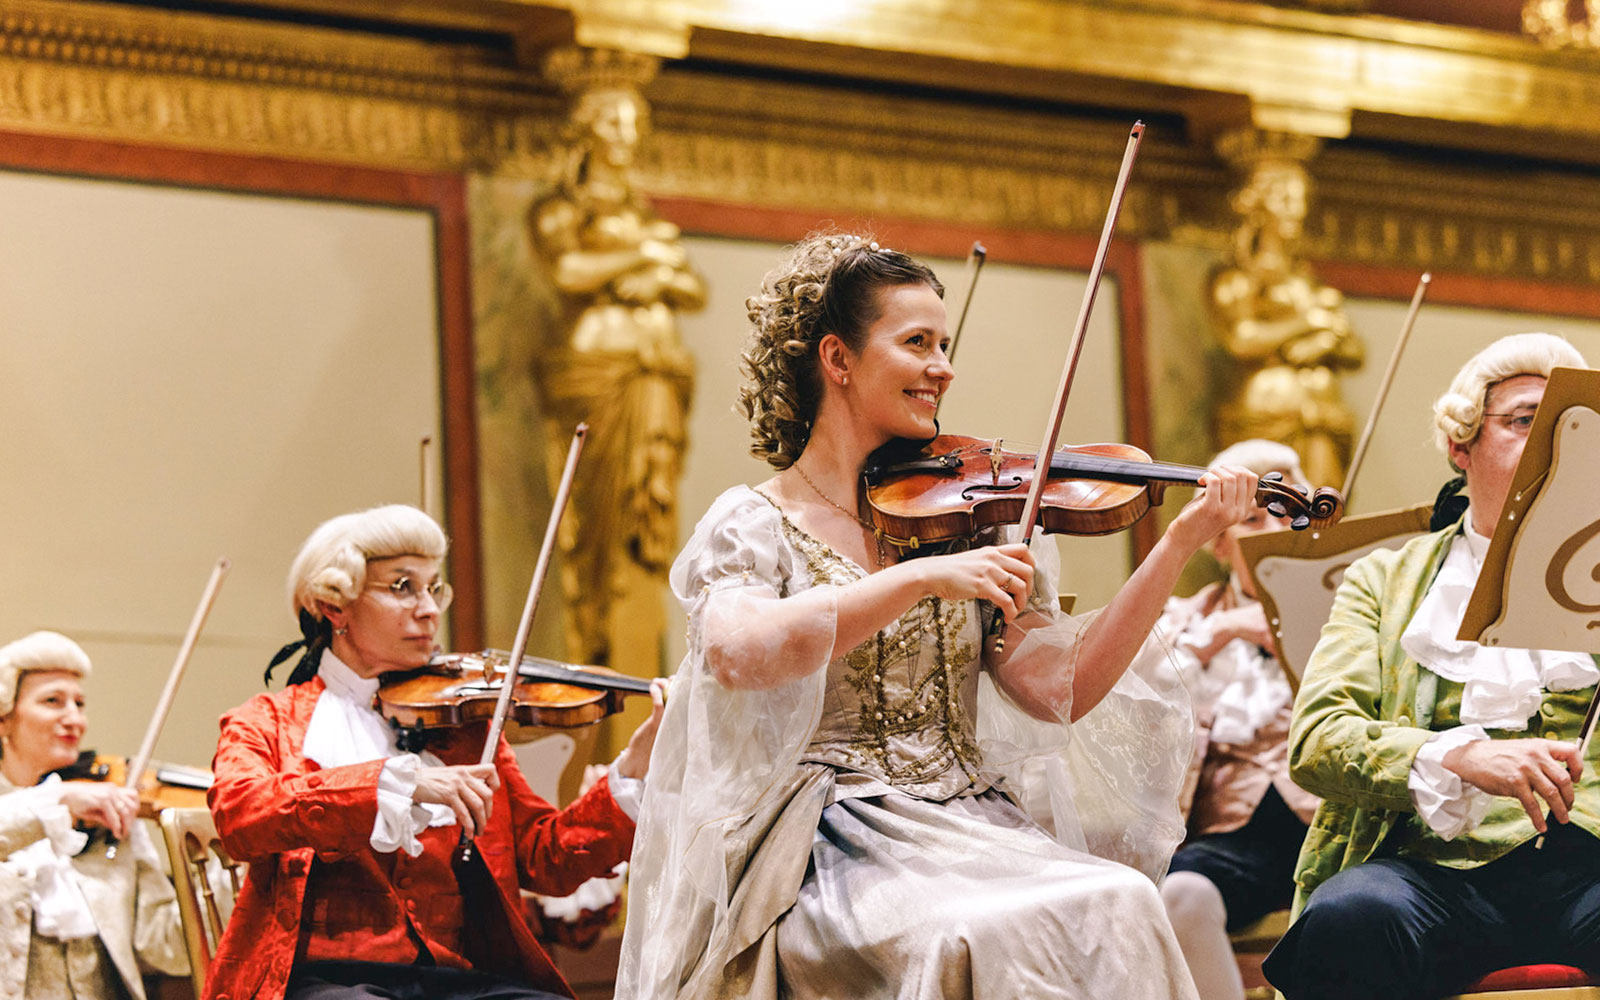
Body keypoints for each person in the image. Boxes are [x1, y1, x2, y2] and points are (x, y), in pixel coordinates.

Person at [617, 232, 1267, 1000]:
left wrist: (1180, 541)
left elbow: (1060, 686)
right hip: (824, 840)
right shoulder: (755, 523)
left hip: (972, 821)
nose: (944, 367)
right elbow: (739, 653)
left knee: (1121, 899)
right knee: (969, 929)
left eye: (946, 344)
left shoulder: (972, 518)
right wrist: (916, 581)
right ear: (838, 359)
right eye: (917, 342)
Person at [204, 504, 667, 1000]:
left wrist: (634, 767)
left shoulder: (463, 730)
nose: (428, 609)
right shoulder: (268, 721)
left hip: (450, 979)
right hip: (319, 980)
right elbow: (240, 813)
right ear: (335, 608)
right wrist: (393, 782)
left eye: (433, 588)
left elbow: (543, 859)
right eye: (402, 587)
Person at [1263, 333, 1600, 999]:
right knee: (1351, 916)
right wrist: (1455, 756)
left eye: (1568, 427)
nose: (1550, 442)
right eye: (1525, 421)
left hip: (1587, 863)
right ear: (1460, 445)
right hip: (1428, 870)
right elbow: (1317, 739)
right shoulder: (1382, 582)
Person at [1157, 440, 1321, 1000]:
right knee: (1178, 894)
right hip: (1230, 835)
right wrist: (1219, 636)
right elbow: (1138, 704)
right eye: (1253, 518)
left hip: (1334, 825)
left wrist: (1286, 631)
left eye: (1284, 510)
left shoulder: (1354, 606)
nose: (1273, 527)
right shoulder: (1186, 620)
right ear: (1221, 545)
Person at [0, 630, 187, 999]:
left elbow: (168, 948)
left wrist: (234, 870)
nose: (74, 719)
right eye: (52, 701)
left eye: (80, 704)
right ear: (4, 717)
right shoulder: (62, 803)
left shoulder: (106, 813)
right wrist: (58, 800)